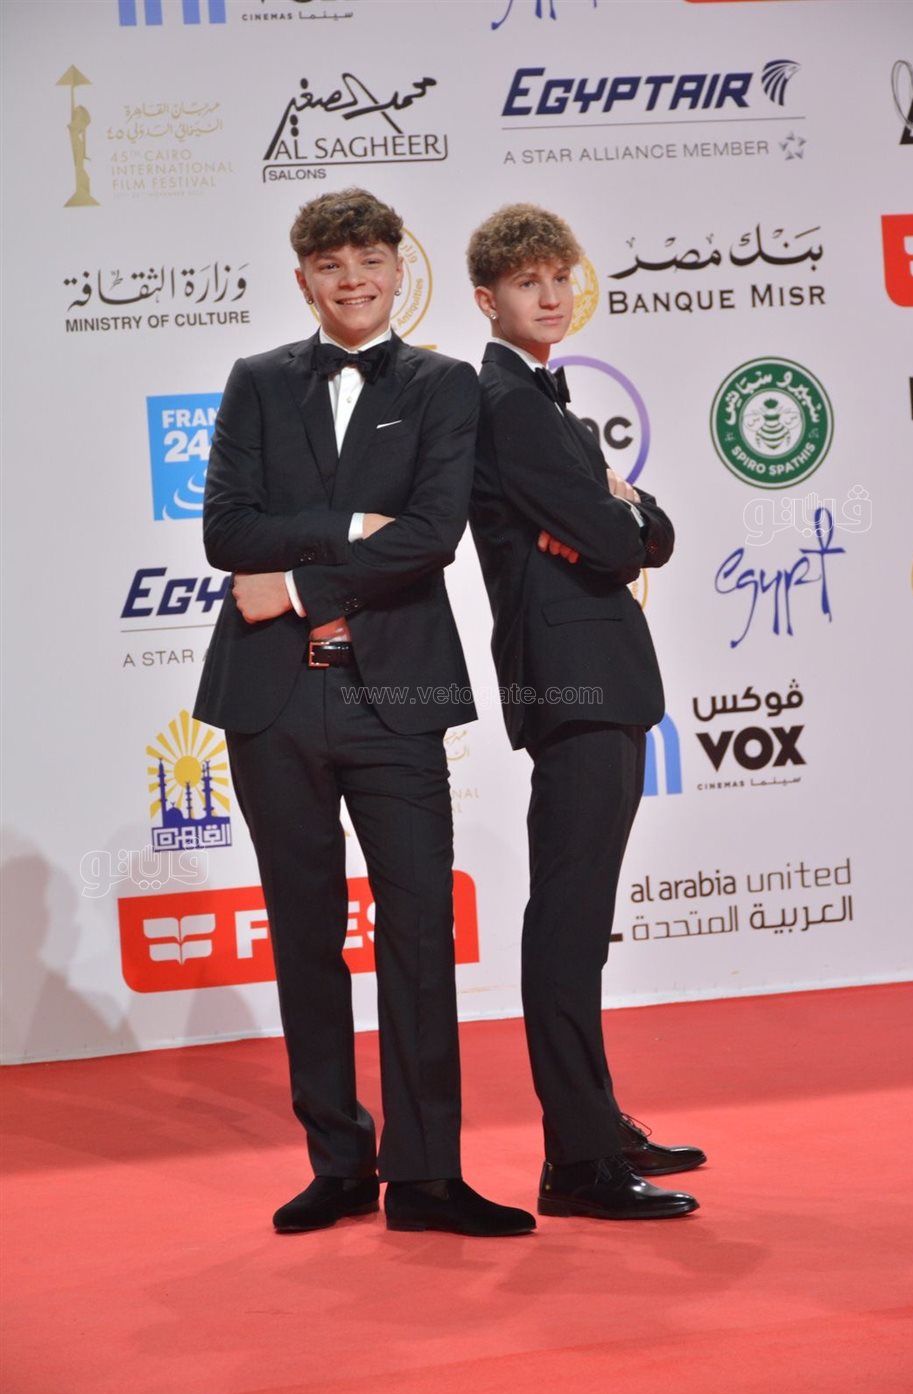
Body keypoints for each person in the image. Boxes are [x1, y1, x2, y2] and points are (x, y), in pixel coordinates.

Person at [194, 188, 534, 1238]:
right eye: (330, 264)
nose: (352, 280)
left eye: (369, 260)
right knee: (304, 931)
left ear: (397, 269)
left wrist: (298, 582)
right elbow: (224, 531)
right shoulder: (257, 380)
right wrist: (350, 527)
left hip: (397, 695)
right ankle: (338, 1158)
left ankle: (425, 1175)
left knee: (419, 927)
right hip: (271, 700)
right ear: (304, 280)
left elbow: (432, 534)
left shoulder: (443, 384)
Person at [466, 204, 706, 1220]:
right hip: (572, 680)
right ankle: (577, 1161)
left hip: (598, 679)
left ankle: (596, 1122)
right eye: (528, 282)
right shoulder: (507, 405)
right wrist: (617, 519)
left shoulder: (549, 406)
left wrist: (621, 513)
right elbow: (619, 543)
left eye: (560, 277)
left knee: (581, 921)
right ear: (488, 300)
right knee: (567, 922)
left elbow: (651, 532)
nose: (552, 295)